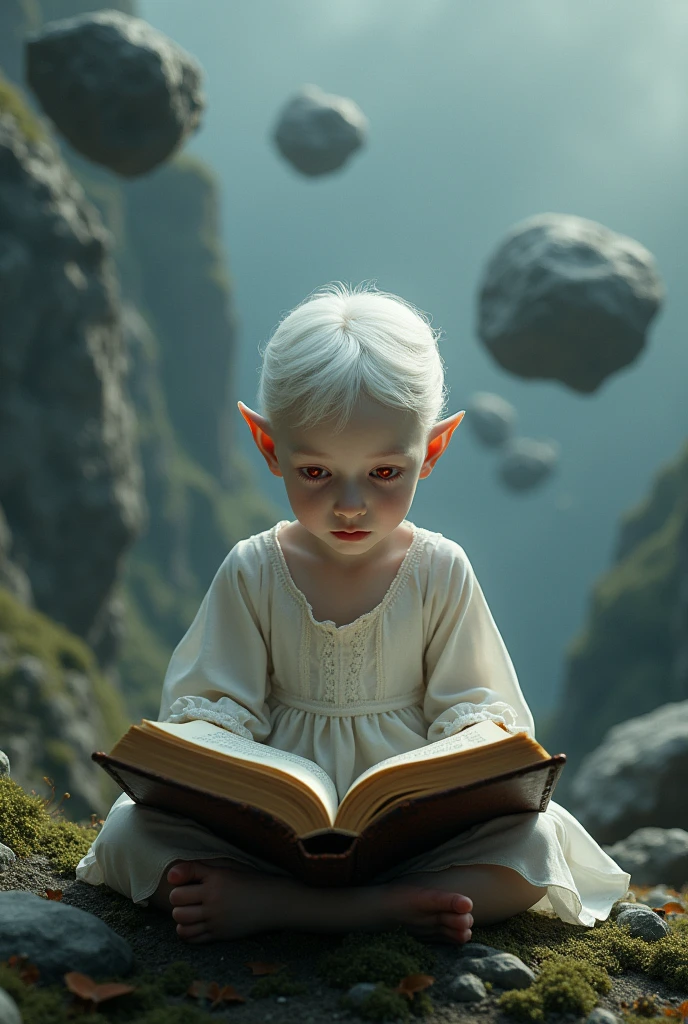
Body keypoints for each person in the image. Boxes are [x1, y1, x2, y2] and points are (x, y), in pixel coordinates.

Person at [75, 282, 630, 945]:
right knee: (130, 832)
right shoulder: (253, 569)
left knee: (534, 843)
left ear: (433, 448)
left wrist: (450, 771)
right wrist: (225, 772)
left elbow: (482, 712)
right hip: (273, 826)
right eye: (315, 473)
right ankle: (389, 907)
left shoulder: (438, 569)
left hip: (409, 828)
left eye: (385, 474)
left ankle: (287, 907)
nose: (349, 505)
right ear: (268, 444)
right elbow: (209, 708)